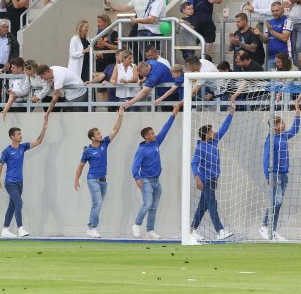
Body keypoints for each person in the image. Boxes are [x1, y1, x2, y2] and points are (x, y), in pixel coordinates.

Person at [187, 99, 236, 244]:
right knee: (212, 204)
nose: (214, 132)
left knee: (203, 207)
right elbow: (194, 163)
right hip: (206, 180)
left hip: (214, 179)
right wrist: (197, 178)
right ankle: (220, 231)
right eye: (211, 131)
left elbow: (224, 128)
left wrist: (231, 113)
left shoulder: (214, 141)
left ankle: (192, 231)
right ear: (206, 135)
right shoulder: (200, 147)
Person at [131, 103, 181, 239]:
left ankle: (150, 230)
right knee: (147, 204)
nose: (154, 134)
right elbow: (135, 166)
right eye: (152, 133)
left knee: (154, 207)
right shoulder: (141, 150)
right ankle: (136, 224)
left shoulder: (156, 142)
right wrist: (137, 178)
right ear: (146, 136)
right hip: (146, 181)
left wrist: (173, 115)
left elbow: (165, 129)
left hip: (156, 181)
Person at [74, 108, 125, 239]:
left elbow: (115, 130)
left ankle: (92, 227)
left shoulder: (104, 144)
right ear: (92, 137)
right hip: (93, 180)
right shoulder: (88, 151)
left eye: (100, 133)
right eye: (98, 134)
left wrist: (120, 116)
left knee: (98, 204)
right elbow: (80, 166)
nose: (100, 135)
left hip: (103, 181)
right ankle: (91, 228)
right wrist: (76, 179)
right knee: (97, 203)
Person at [0, 116, 49, 238]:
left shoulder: (22, 147)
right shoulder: (6, 151)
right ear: (12, 137)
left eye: (20, 133)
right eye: (18, 134)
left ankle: (5, 229)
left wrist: (44, 128)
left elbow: (38, 141)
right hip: (10, 182)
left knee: (12, 205)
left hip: (20, 183)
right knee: (19, 203)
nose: (21, 135)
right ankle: (20, 228)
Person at [260, 99, 301, 241]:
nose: (285, 124)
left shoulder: (284, 135)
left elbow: (295, 129)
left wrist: (297, 111)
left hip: (284, 174)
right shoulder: (270, 139)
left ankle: (273, 230)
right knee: (275, 201)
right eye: (282, 122)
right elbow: (266, 158)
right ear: (276, 127)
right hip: (274, 174)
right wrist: (267, 175)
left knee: (279, 203)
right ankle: (264, 225)